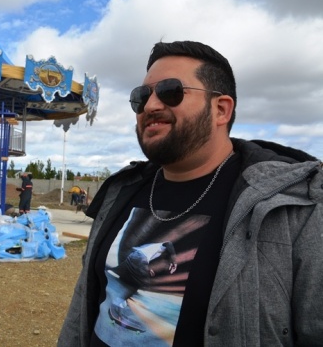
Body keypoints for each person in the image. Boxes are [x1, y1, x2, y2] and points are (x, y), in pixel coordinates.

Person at [58, 41, 323, 346]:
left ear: (221, 109)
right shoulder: (120, 192)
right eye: (141, 97)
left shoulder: (294, 205)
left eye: (171, 92)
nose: (151, 106)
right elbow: (83, 305)